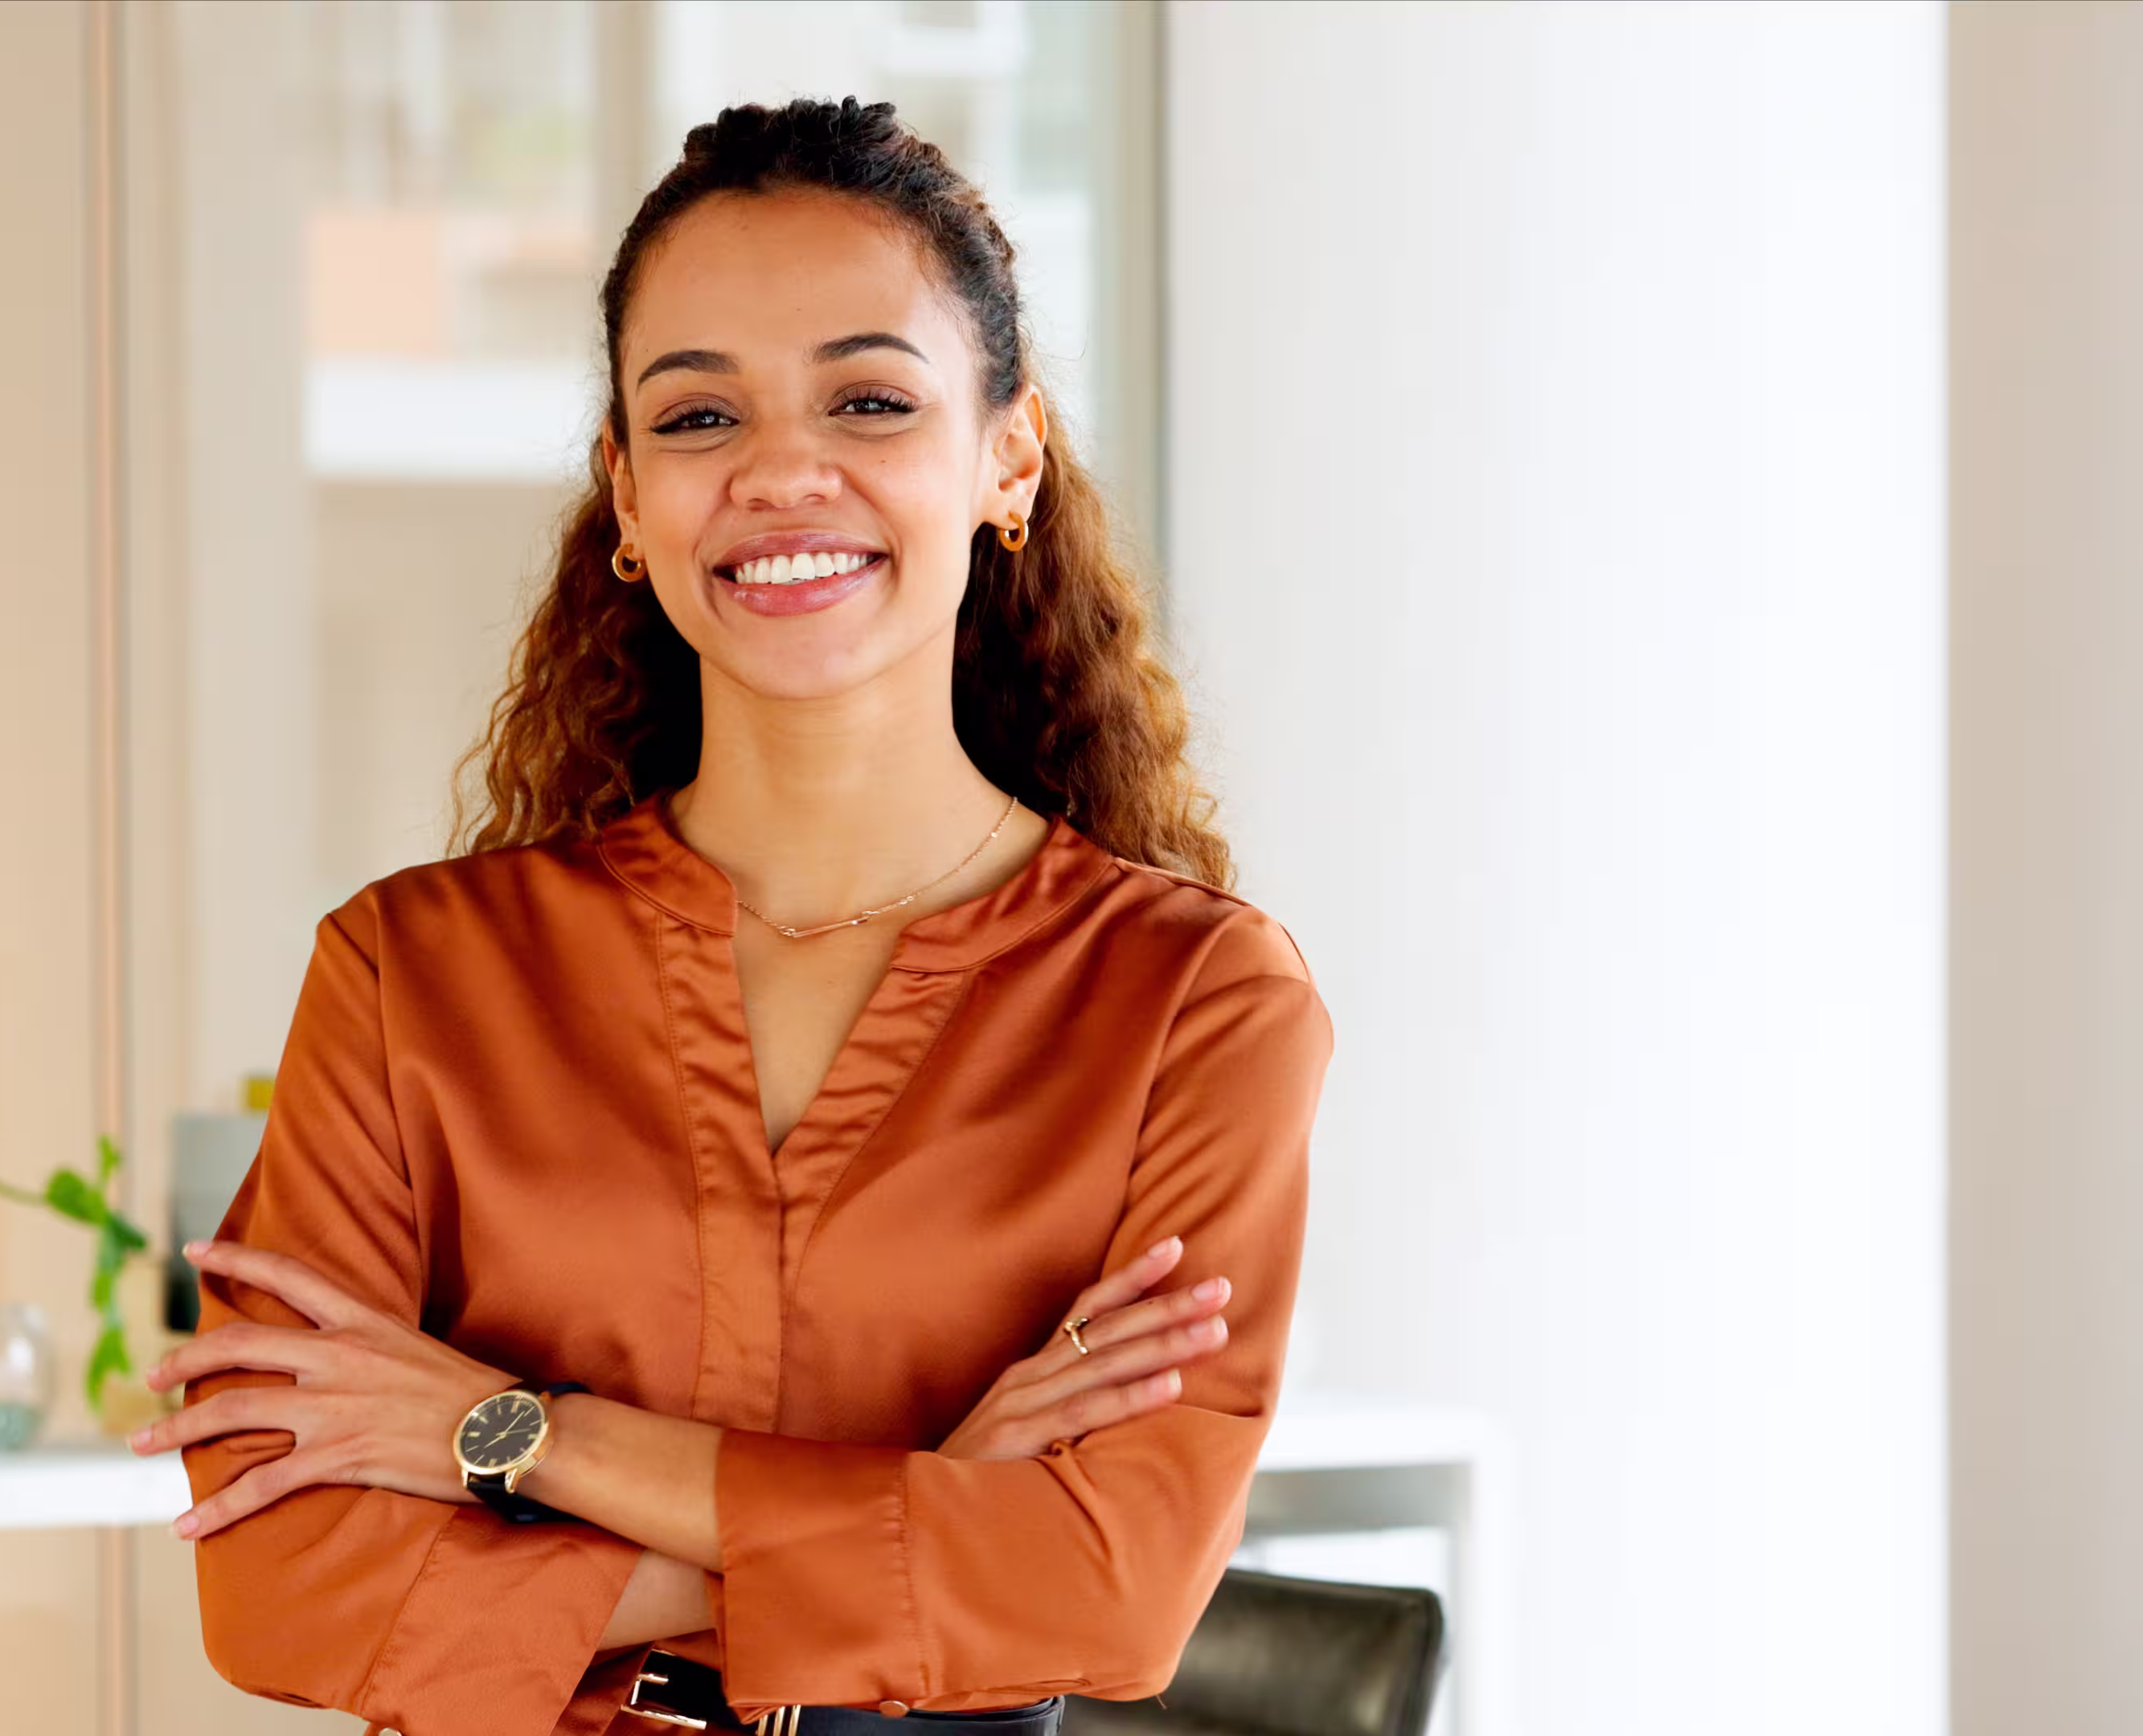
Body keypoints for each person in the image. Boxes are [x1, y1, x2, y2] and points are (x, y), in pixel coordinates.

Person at [133, 96, 1334, 1736]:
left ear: (1008, 456)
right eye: (697, 418)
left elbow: (1109, 1589)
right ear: (624, 499)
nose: (780, 471)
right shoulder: (411, 976)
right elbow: (276, 1576)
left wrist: (517, 1439)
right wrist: (918, 1512)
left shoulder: (1195, 1004)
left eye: (868, 397)